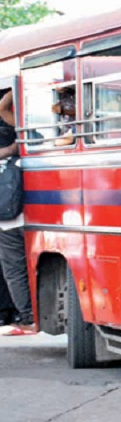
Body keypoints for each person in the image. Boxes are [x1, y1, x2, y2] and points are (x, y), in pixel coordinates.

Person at [0, 91, 35, 336]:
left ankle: (28, 317)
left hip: (7, 220)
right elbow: (3, 110)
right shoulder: (31, 142)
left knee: (14, 271)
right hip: (35, 217)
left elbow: (2, 110)